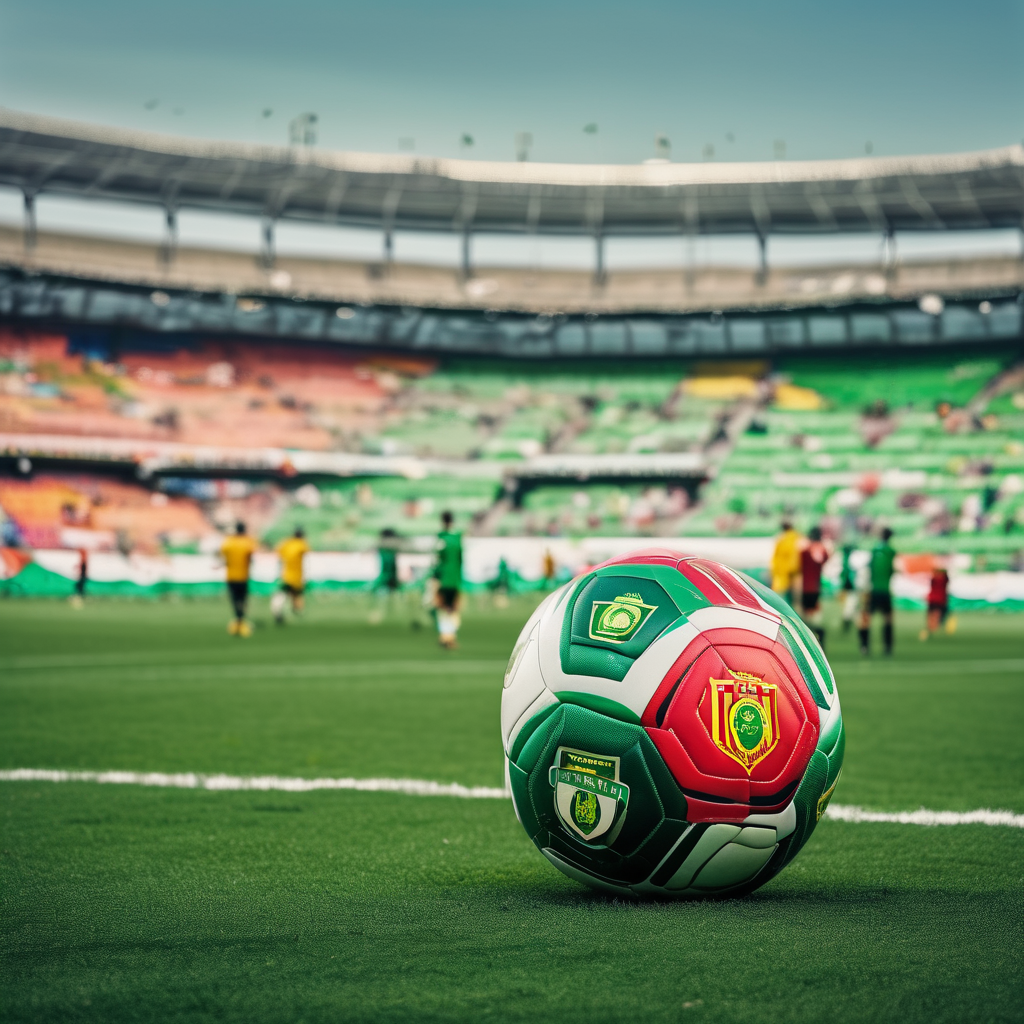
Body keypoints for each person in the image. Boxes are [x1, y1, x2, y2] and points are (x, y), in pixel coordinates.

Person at [859, 527, 896, 656]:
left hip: (873, 589)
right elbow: (891, 571)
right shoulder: (891, 552)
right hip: (885, 590)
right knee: (888, 619)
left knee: (866, 618)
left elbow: (869, 569)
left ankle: (864, 646)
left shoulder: (874, 551)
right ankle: (888, 648)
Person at [221, 521, 257, 637]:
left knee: (234, 600)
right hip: (243, 576)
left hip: (231, 576)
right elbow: (251, 557)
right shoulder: (248, 541)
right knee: (243, 600)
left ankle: (238, 621)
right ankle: (241, 622)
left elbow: (224, 557)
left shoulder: (229, 542)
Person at [433, 510, 463, 649]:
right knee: (454, 608)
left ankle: (445, 635)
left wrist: (435, 577)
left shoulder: (441, 538)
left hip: (443, 579)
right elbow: (461, 560)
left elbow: (437, 561)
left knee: (443, 608)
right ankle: (451, 635)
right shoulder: (457, 538)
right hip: (455, 579)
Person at [799, 526, 830, 649]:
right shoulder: (822, 550)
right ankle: (820, 638)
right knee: (815, 612)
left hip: (806, 586)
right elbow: (826, 558)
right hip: (816, 586)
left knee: (806, 616)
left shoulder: (805, 551)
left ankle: (811, 641)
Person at [272, 527, 310, 624]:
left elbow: (278, 553)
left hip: (286, 575)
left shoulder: (286, 543)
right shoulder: (302, 544)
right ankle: (296, 610)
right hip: (297, 576)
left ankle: (278, 610)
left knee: (283, 594)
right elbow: (307, 555)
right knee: (296, 595)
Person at [369, 528, 401, 624]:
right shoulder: (391, 548)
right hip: (390, 576)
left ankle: (379, 616)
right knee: (390, 596)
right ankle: (389, 615)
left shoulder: (383, 548)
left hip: (386, 575)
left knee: (381, 597)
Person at [920, 563, 956, 641]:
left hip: (938, 600)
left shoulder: (940, 579)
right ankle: (932, 628)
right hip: (938, 600)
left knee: (935, 616)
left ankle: (932, 629)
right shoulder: (940, 580)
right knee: (936, 616)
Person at [770, 520, 801, 604]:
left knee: (782, 592)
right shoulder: (797, 537)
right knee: (792, 593)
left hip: (782, 570)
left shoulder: (780, 539)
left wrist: (774, 569)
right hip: (795, 569)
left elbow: (775, 556)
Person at [838, 543, 858, 634]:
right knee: (850, 604)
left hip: (849, 585)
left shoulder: (845, 560)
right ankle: (847, 621)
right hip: (851, 586)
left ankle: (847, 620)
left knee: (849, 605)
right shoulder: (850, 560)